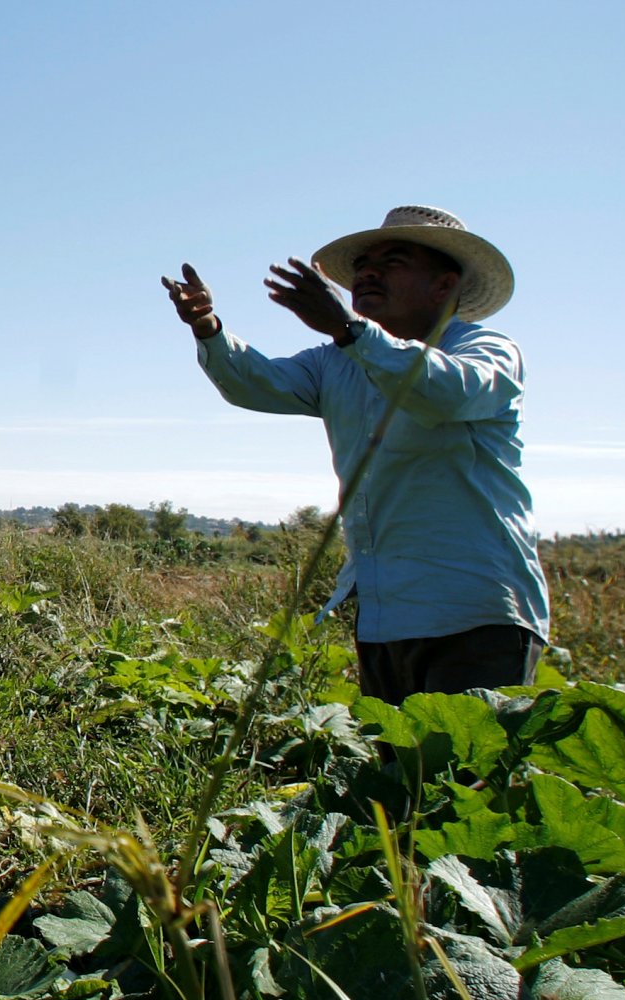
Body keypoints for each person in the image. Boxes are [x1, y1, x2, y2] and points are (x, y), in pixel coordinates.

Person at [161, 205, 548, 702]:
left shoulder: (485, 349)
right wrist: (208, 326)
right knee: (396, 773)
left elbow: (445, 392)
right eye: (364, 264)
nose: (368, 272)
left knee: (463, 774)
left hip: (475, 610)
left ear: (444, 285)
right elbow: (251, 384)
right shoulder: (336, 362)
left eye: (393, 261)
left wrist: (348, 330)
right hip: (388, 614)